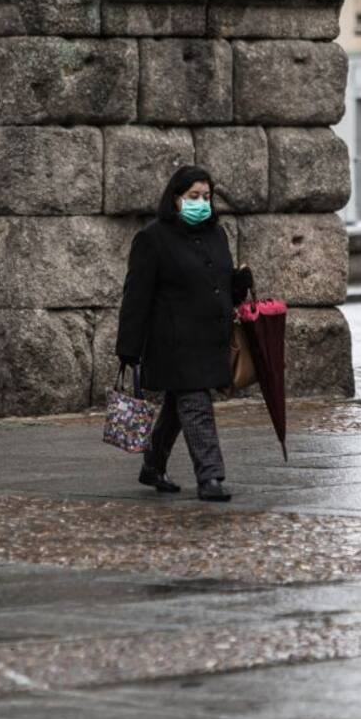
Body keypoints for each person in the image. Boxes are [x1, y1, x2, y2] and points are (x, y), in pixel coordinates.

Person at [116, 165, 253, 502]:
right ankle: (210, 476)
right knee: (196, 405)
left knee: (179, 407)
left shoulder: (216, 235)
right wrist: (128, 348)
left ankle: (153, 464)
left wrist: (238, 287)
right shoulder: (153, 238)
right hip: (173, 343)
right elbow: (136, 297)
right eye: (194, 196)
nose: (201, 203)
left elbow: (218, 287)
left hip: (209, 340)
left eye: (206, 197)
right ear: (176, 198)